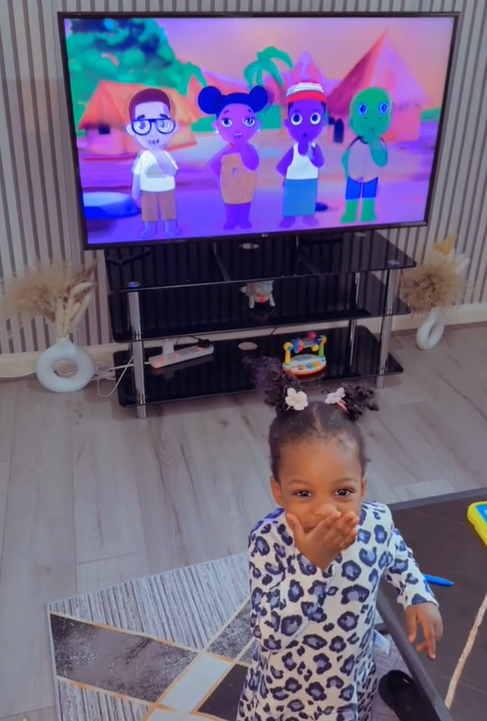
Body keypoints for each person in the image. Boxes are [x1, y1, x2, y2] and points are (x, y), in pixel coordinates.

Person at [237, 358, 443, 721]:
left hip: (350, 680)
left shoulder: (376, 522)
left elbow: (397, 555)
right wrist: (311, 565)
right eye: (303, 494)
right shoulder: (269, 541)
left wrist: (418, 595)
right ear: (279, 491)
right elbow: (268, 633)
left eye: (343, 491)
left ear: (362, 486)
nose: (326, 510)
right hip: (287, 693)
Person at [198, 85, 269, 230]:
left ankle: (243, 221)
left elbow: (253, 164)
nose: (237, 129)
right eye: (227, 122)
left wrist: (242, 148)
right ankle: (231, 221)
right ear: (217, 125)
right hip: (229, 187)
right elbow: (212, 166)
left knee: (245, 202)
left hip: (247, 186)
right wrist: (222, 178)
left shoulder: (249, 149)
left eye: (248, 121)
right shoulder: (226, 152)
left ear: (256, 124)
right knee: (230, 204)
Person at [126, 88, 181, 239]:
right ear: (132, 129)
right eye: (142, 125)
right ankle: (149, 229)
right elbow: (137, 175)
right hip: (147, 190)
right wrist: (135, 191)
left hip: (167, 188)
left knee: (168, 209)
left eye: (162, 124)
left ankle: (171, 227)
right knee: (148, 210)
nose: (153, 132)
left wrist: (158, 154)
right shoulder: (143, 157)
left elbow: (171, 171)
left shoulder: (164, 155)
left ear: (173, 126)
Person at [276, 82, 328, 229]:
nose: (305, 127)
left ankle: (308, 216)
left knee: (308, 199)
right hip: (292, 181)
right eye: (297, 119)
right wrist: (285, 178)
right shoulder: (293, 150)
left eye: (314, 118)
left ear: (323, 122)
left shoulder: (315, 148)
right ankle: (289, 217)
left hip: (310, 181)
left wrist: (311, 155)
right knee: (291, 200)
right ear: (287, 123)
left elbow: (319, 163)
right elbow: (281, 166)